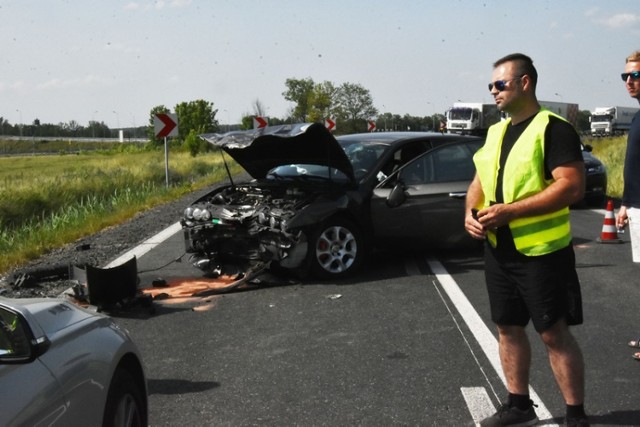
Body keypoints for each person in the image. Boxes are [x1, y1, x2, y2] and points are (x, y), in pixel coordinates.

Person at [465, 53, 589, 426]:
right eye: (490, 86)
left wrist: (511, 211)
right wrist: (470, 214)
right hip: (499, 251)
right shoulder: (495, 131)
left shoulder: (553, 128)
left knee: (553, 334)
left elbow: (572, 186)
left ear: (525, 83)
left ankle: (575, 415)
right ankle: (518, 406)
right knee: (507, 327)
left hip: (542, 252)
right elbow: (479, 181)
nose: (493, 91)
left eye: (500, 84)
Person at [615, 50, 640, 362]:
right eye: (625, 76)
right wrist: (625, 204)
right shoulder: (637, 115)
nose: (629, 81)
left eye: (635, 75)